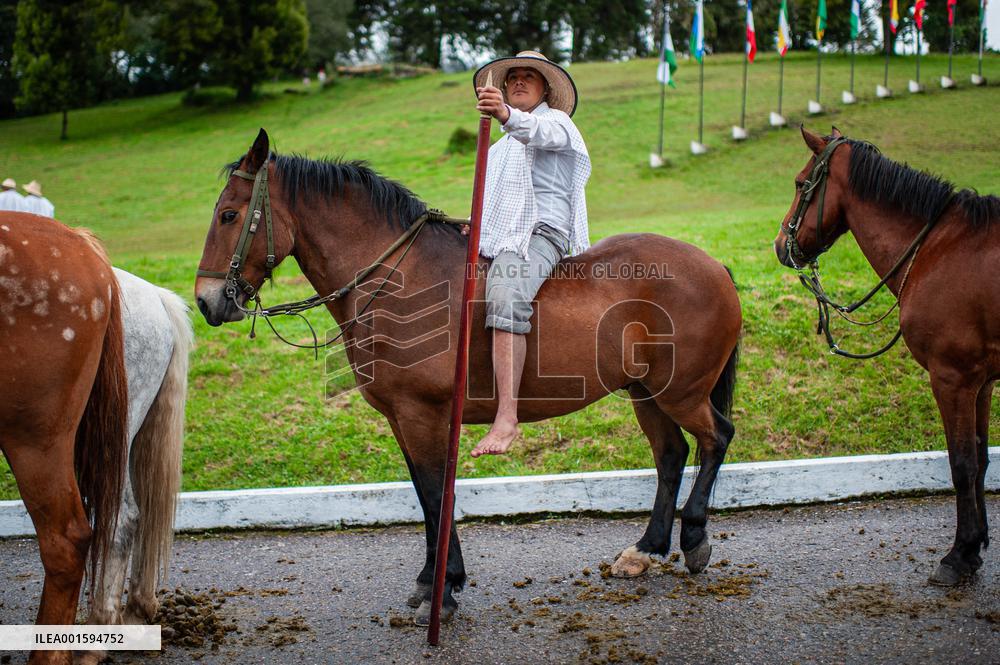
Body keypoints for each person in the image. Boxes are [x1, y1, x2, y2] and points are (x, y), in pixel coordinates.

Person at [468, 51, 592, 458]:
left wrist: (504, 113)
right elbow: (493, 202)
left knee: (505, 293)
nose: (519, 81)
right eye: (513, 77)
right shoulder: (501, 147)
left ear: (545, 88)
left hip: (541, 234)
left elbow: (537, 133)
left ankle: (506, 417)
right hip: (499, 235)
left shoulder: (556, 123)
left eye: (529, 77)